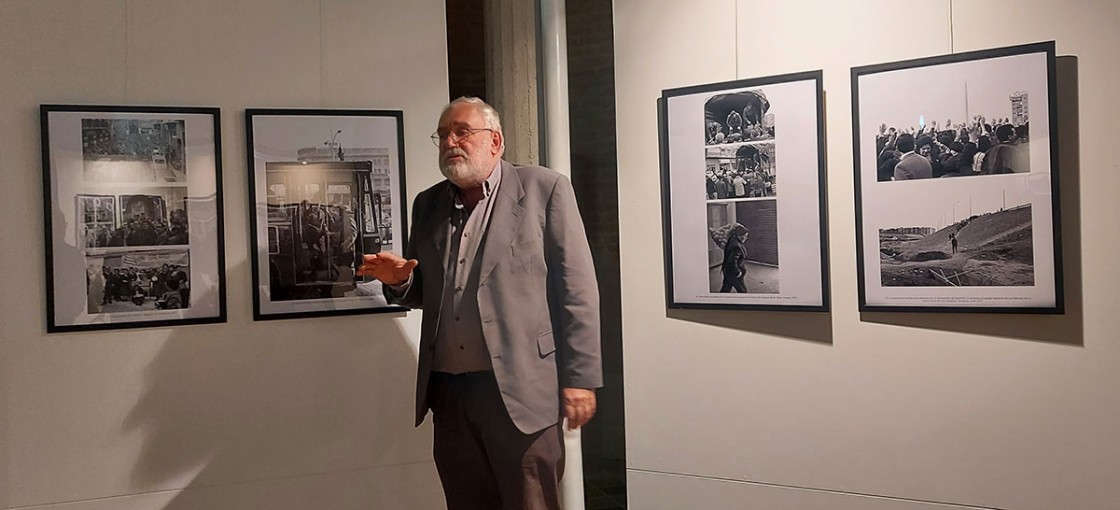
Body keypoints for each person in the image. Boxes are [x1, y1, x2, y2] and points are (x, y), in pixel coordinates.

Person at [357, 97, 602, 510]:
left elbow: (577, 292)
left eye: (462, 132)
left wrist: (580, 378)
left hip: (521, 391)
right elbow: (426, 292)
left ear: (496, 141)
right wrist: (400, 281)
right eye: (443, 135)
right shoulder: (428, 204)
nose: (451, 142)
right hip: (451, 394)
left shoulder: (545, 189)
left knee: (531, 503)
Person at [719, 223, 749, 293]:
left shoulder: (732, 240)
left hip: (727, 272)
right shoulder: (736, 246)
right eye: (745, 236)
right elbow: (732, 262)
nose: (746, 238)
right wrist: (738, 273)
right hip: (734, 274)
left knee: (725, 290)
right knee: (743, 292)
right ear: (740, 235)